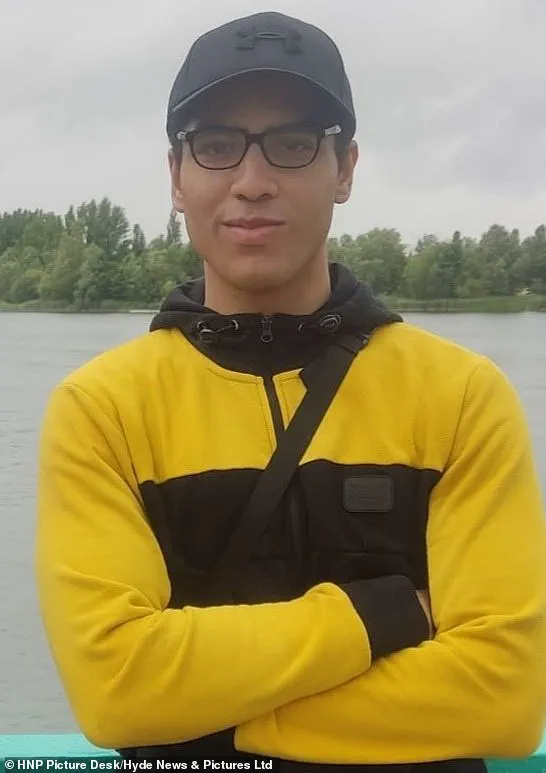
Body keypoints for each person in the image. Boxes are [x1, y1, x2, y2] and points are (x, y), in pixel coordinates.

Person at [35, 10, 546, 772]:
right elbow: (118, 688)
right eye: (216, 145)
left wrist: (204, 721)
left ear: (345, 169)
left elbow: (504, 696)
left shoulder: (461, 397)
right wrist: (377, 615)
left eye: (294, 142)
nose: (251, 181)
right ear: (176, 177)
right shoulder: (103, 410)